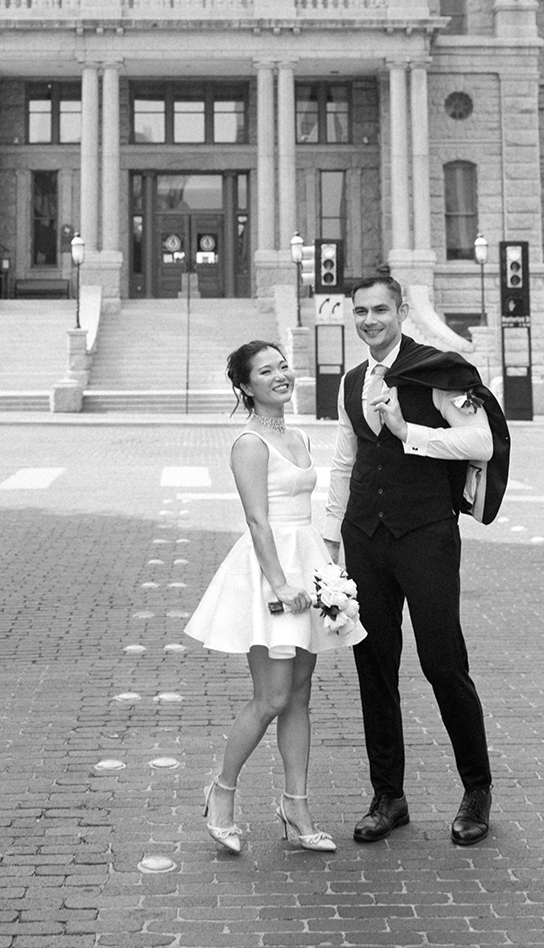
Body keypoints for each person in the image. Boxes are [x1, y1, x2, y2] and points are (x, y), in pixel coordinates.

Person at [322, 276, 502, 848]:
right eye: (361, 311)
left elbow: (481, 443)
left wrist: (408, 432)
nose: (370, 319)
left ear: (401, 310)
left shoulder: (440, 371)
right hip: (365, 536)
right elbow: (344, 461)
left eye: (380, 309)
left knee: (442, 661)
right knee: (373, 664)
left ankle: (476, 791)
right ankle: (388, 797)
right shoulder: (352, 382)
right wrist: (331, 538)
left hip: (425, 533)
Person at [185, 339, 365, 855]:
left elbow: (311, 509)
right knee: (272, 697)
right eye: (267, 371)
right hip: (270, 572)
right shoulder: (248, 443)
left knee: (301, 696)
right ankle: (221, 792)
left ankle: (296, 804)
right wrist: (280, 584)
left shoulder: (299, 435)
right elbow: (258, 520)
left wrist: (326, 569)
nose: (280, 375)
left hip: (307, 563)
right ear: (245, 386)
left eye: (283, 366)